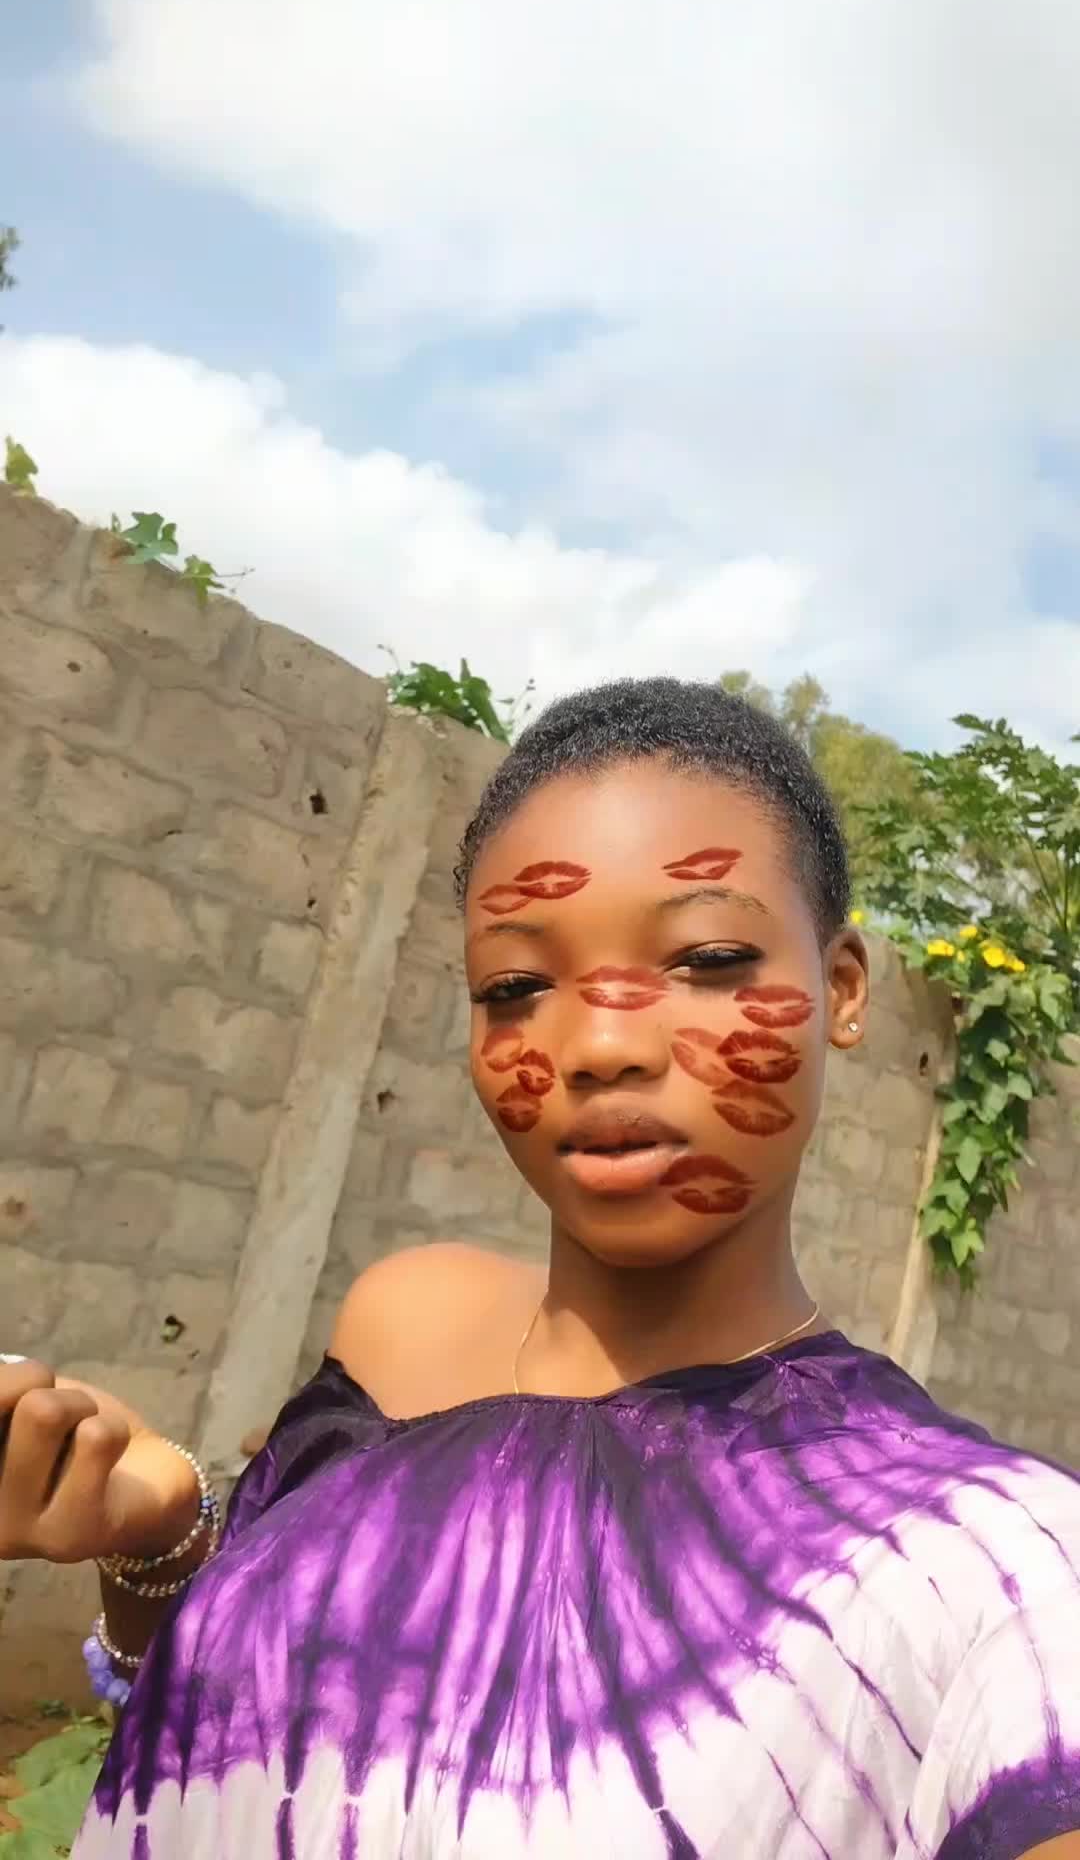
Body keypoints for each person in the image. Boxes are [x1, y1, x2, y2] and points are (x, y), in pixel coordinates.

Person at [2, 676, 1079, 1860]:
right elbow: (222, 1759)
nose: (600, 1045)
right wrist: (154, 1534)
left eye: (708, 957)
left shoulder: (988, 1562)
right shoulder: (404, 1332)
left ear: (843, 990)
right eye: (516, 986)